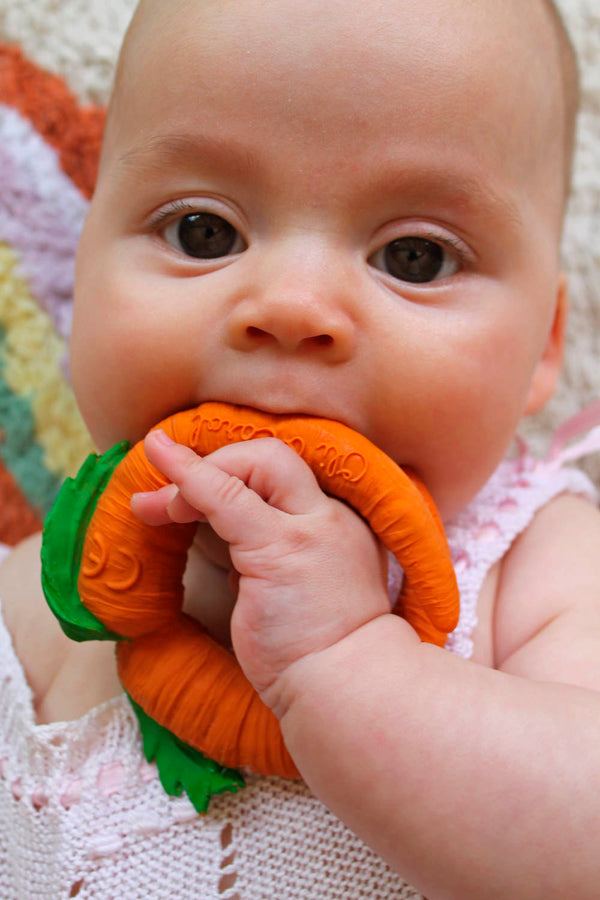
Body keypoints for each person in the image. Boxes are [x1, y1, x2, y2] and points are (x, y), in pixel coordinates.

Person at [1, 0, 599, 896]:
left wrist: (348, 664)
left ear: (541, 350)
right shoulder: (39, 596)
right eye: (202, 231)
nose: (290, 305)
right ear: (80, 270)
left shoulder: (538, 566)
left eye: (416, 259)